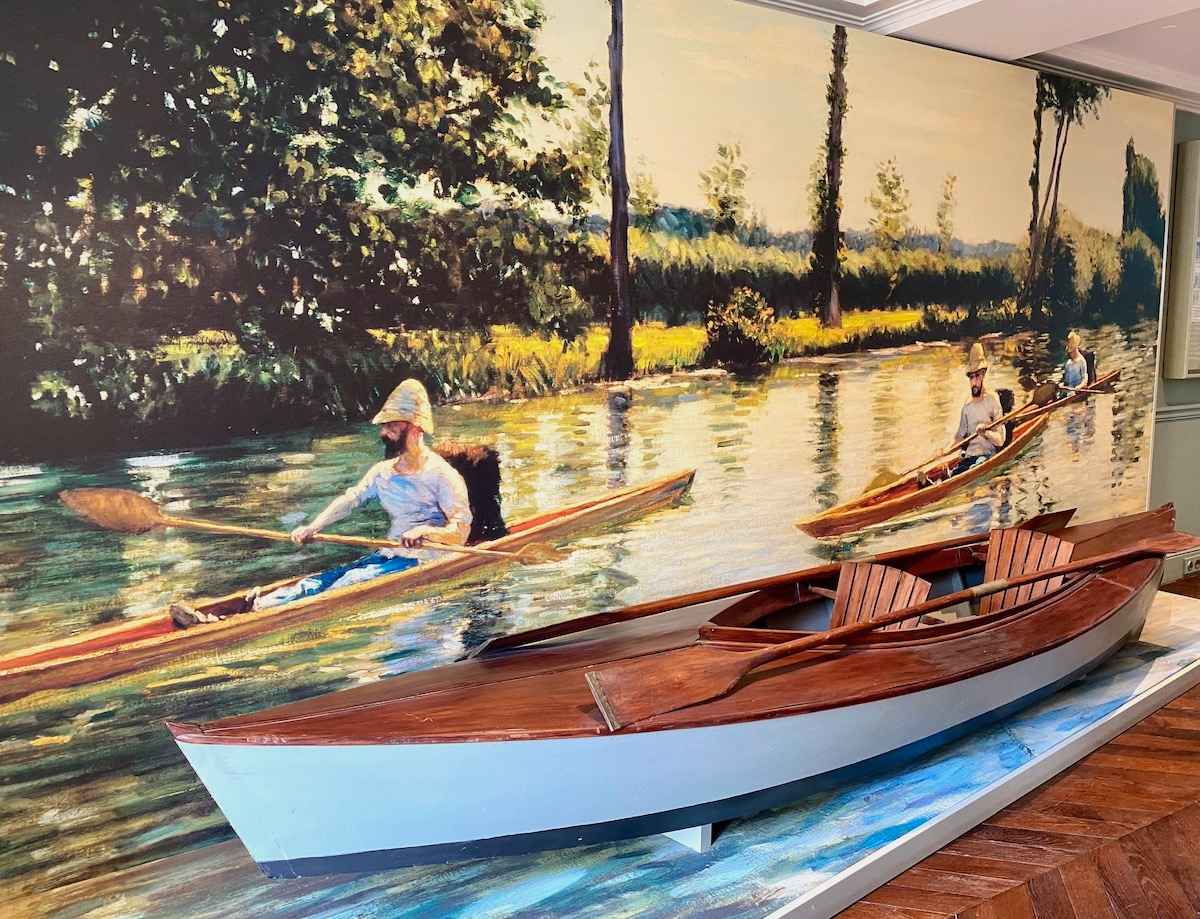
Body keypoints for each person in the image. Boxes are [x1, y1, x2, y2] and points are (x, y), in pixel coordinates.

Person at [170, 379, 471, 625]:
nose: (383, 433)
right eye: (385, 426)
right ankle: (250, 608)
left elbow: (460, 530)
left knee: (345, 584)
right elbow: (350, 499)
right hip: (388, 556)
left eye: (392, 427)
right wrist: (313, 527)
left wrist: (425, 533)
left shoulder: (442, 475)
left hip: (424, 561)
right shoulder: (383, 472)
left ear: (415, 430)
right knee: (316, 583)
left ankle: (228, 624)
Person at [949, 342, 1004, 477]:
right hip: (968, 457)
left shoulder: (992, 400)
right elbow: (959, 438)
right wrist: (945, 451)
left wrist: (986, 433)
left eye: (977, 376)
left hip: (985, 456)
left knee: (975, 466)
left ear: (984, 374)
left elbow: (1000, 440)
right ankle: (933, 482)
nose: (974, 382)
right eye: (971, 377)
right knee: (955, 472)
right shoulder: (967, 406)